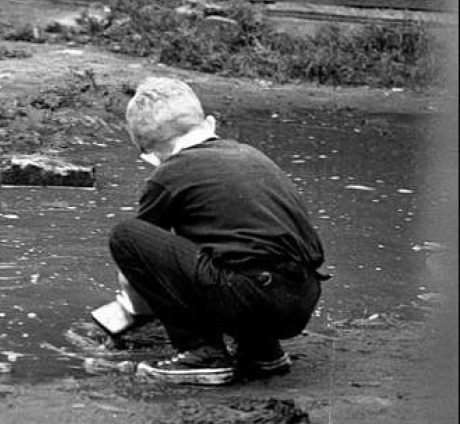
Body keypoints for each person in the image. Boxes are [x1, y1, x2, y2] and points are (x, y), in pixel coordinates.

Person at [92, 76, 328, 385]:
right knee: (232, 251)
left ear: (150, 151)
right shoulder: (250, 155)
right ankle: (262, 351)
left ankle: (201, 353)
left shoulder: (169, 173)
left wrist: (127, 311)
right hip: (301, 297)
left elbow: (139, 263)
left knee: (126, 236)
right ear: (209, 122)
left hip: (251, 297)